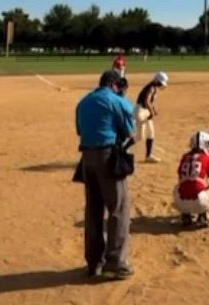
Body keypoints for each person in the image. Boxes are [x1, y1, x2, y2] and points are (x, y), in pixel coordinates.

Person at [75, 70, 136, 280]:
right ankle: (116, 263)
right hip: (107, 156)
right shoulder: (116, 101)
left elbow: (80, 131)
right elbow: (131, 133)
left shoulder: (83, 102)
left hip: (87, 158)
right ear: (113, 84)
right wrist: (122, 99)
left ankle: (94, 262)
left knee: (93, 209)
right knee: (118, 209)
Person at [173, 130, 209, 229]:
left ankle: (185, 215)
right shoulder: (208, 158)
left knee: (179, 187)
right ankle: (203, 216)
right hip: (199, 202)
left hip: (180, 202)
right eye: (208, 145)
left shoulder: (185, 157)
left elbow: (180, 180)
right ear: (203, 145)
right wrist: (205, 188)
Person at [135, 72, 168, 163]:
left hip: (144, 111)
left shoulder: (153, 87)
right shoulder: (151, 87)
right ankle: (122, 149)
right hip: (141, 111)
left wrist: (153, 109)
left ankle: (148, 156)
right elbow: (146, 101)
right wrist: (152, 112)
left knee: (150, 133)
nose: (161, 85)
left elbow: (149, 102)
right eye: (160, 83)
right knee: (140, 136)